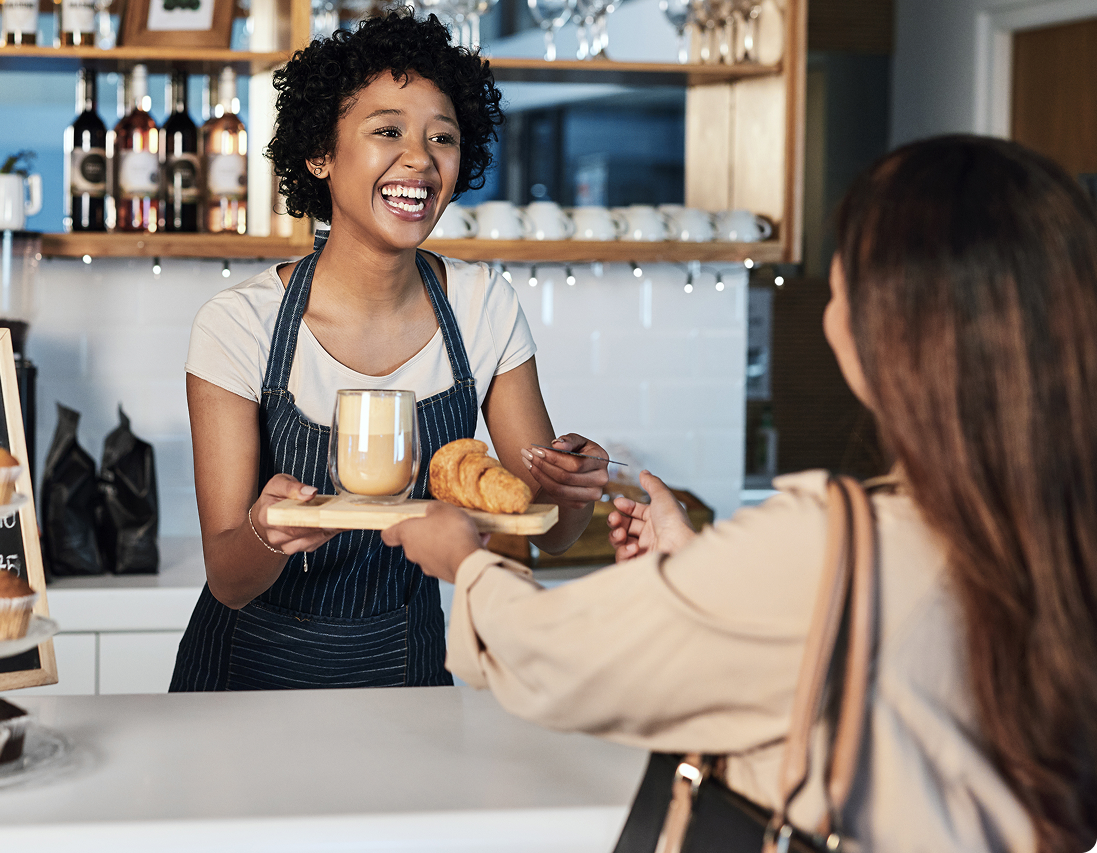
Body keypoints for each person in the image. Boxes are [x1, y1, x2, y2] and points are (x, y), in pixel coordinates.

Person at [385, 136, 1097, 852]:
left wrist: (467, 564)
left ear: (892, 327)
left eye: (846, 277)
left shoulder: (829, 543)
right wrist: (703, 570)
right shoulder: (1055, 529)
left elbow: (560, 659)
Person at [171, 10, 611, 691]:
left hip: (406, 671)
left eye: (443, 138)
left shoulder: (481, 307)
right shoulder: (240, 325)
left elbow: (544, 530)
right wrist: (268, 532)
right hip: (245, 680)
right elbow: (229, 579)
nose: (420, 159)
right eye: (387, 132)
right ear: (319, 153)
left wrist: (572, 489)